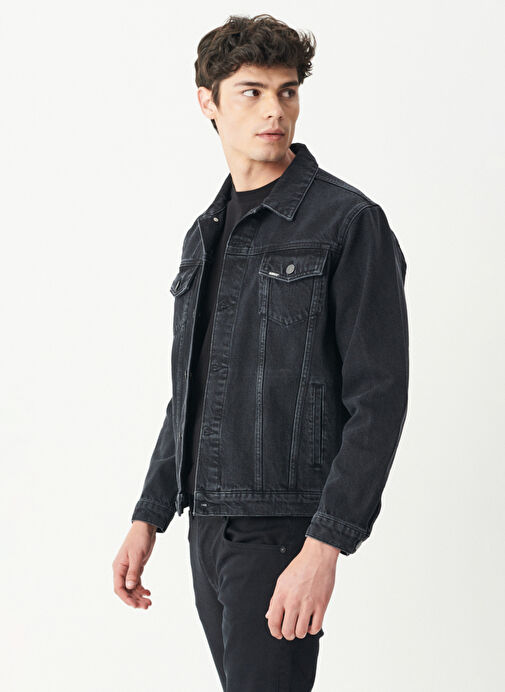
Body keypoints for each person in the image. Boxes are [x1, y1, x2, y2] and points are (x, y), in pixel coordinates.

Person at [112, 13, 409, 692]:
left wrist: (324, 543)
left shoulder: (347, 222)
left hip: (281, 528)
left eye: (287, 91)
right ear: (208, 103)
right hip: (207, 527)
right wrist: (148, 514)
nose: (274, 110)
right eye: (251, 91)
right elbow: (191, 391)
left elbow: (379, 397)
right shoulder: (204, 234)